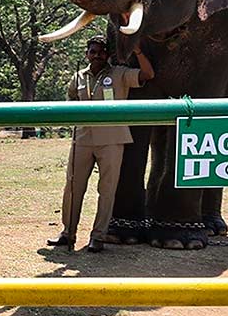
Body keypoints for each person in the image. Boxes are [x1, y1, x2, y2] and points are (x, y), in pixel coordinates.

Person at [48, 37, 154, 252]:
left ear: (108, 55)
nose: (97, 56)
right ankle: (68, 232)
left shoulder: (120, 74)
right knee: (73, 187)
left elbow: (148, 75)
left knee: (107, 190)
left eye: (102, 52)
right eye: (93, 52)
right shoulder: (78, 77)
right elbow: (70, 101)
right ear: (86, 54)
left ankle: (99, 236)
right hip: (83, 139)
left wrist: (139, 52)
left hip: (112, 140)